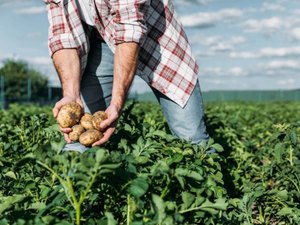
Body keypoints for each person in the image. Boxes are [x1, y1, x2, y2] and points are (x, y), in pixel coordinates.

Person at [44, 0, 210, 152]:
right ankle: (79, 182)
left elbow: (129, 29)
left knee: (192, 140)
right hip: (101, 39)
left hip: (157, 39)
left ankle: (209, 181)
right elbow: (62, 35)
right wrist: (71, 95)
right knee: (82, 135)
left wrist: (117, 104)